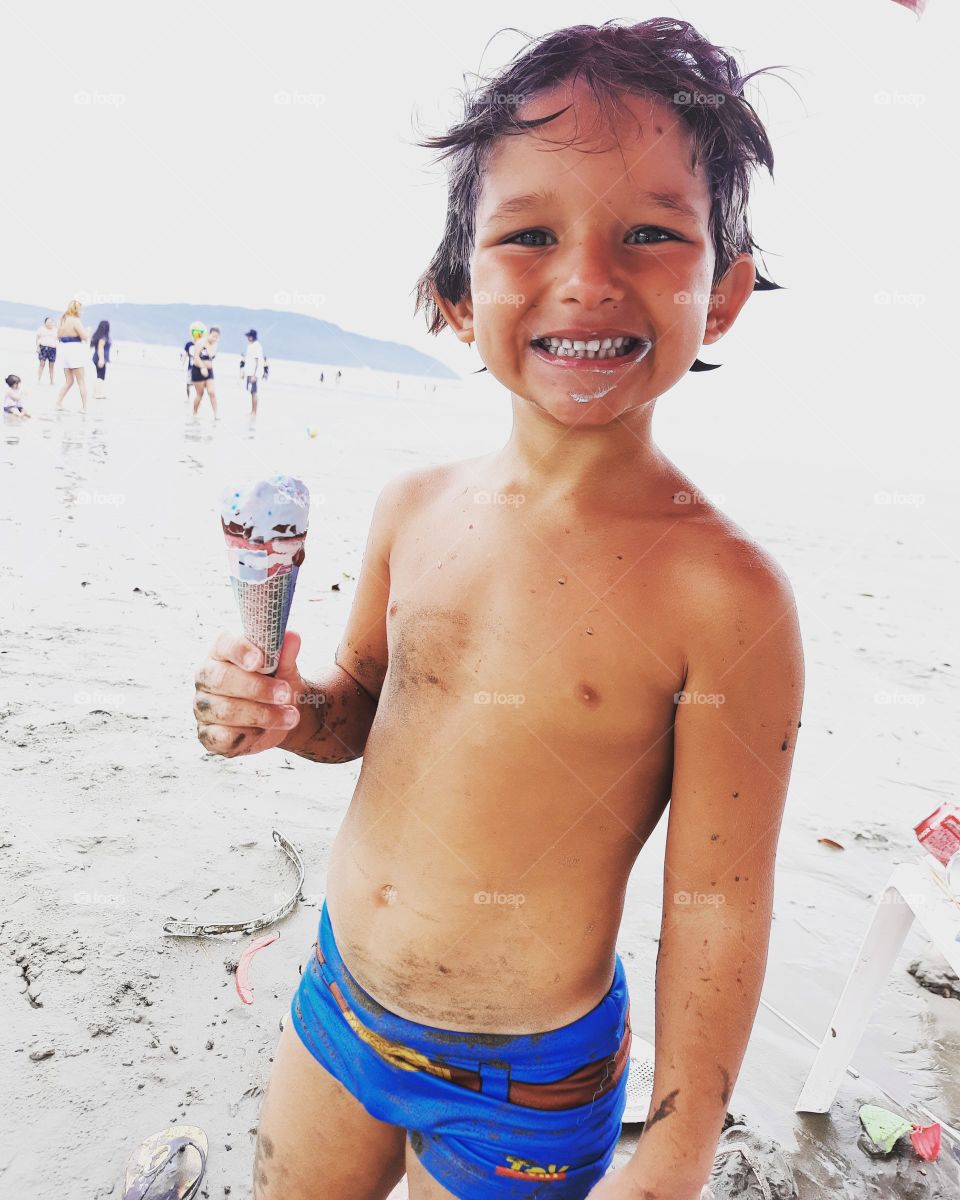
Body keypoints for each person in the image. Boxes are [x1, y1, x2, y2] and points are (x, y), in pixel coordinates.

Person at [193, 19, 803, 1200]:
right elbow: (357, 711)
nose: (586, 276)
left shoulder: (725, 594)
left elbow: (719, 899)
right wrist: (281, 709)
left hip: (526, 1086)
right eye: (530, 234)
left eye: (649, 234)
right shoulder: (414, 508)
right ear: (455, 297)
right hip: (339, 1007)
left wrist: (674, 1153)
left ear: (720, 293)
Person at [55, 299, 90, 412]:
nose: (82, 312)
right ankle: (84, 407)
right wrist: (88, 331)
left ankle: (58, 403)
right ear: (76, 310)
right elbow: (84, 337)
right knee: (81, 381)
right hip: (75, 350)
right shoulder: (75, 321)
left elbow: (58, 336)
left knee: (69, 381)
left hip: (64, 350)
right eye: (81, 310)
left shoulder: (62, 320)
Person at [191, 325, 220, 418]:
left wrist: (207, 367)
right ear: (208, 334)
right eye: (213, 336)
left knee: (212, 392)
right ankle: (195, 413)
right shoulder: (200, 342)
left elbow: (211, 358)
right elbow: (196, 357)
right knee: (200, 394)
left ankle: (216, 414)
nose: (215, 338)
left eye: (217, 337)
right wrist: (202, 367)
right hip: (198, 369)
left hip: (209, 371)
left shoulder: (215, 345)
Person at [242, 328, 265, 416]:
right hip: (249, 372)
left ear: (251, 337)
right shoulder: (251, 345)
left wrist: (255, 375)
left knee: (254, 392)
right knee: (251, 392)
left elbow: (257, 362)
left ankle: (254, 412)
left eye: (248, 336)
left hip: (253, 373)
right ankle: (252, 411)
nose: (247, 338)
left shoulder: (256, 346)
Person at [90, 320, 111, 400]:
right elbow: (100, 348)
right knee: (101, 377)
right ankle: (97, 394)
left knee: (99, 376)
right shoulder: (103, 337)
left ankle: (96, 393)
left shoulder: (100, 336)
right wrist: (102, 359)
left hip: (97, 358)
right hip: (99, 358)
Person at [35, 317, 58, 383]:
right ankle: (38, 379)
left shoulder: (55, 330)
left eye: (51, 322)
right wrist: (37, 347)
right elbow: (37, 338)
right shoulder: (41, 329)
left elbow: (58, 339)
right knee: (42, 364)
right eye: (48, 322)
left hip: (52, 349)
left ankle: (51, 381)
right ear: (45, 323)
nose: (50, 323)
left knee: (52, 365)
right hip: (43, 347)